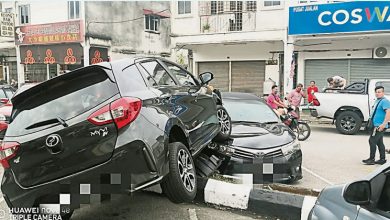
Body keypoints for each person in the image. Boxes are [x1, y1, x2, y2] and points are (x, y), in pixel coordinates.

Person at [362, 86, 390, 165]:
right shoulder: (378, 101)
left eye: (379, 92)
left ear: (383, 93)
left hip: (379, 126)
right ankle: (382, 159)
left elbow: (388, 113)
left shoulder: (385, 101)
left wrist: (383, 124)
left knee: (372, 141)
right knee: (379, 142)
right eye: (376, 92)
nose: (377, 93)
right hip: (376, 125)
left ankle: (371, 159)